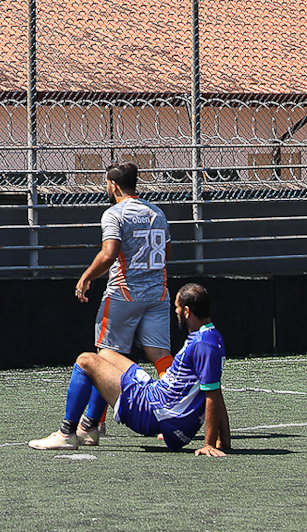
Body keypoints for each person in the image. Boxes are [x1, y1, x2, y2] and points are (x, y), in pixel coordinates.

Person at [29, 282, 230, 455]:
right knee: (105, 354)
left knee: (85, 361)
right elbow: (216, 390)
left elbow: (212, 394)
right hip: (156, 396)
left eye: (177, 309)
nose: (175, 313)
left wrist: (209, 444)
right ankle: (89, 427)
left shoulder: (203, 345)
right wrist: (225, 440)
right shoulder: (211, 337)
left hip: (152, 410)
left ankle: (66, 433)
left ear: (187, 311)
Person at [73, 161, 173, 444]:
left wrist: (86, 277)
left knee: (104, 356)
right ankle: (172, 413)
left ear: (113, 185)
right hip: (157, 293)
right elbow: (167, 252)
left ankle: (94, 423)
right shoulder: (156, 212)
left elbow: (109, 254)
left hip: (124, 293)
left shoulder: (114, 213)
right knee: (160, 354)